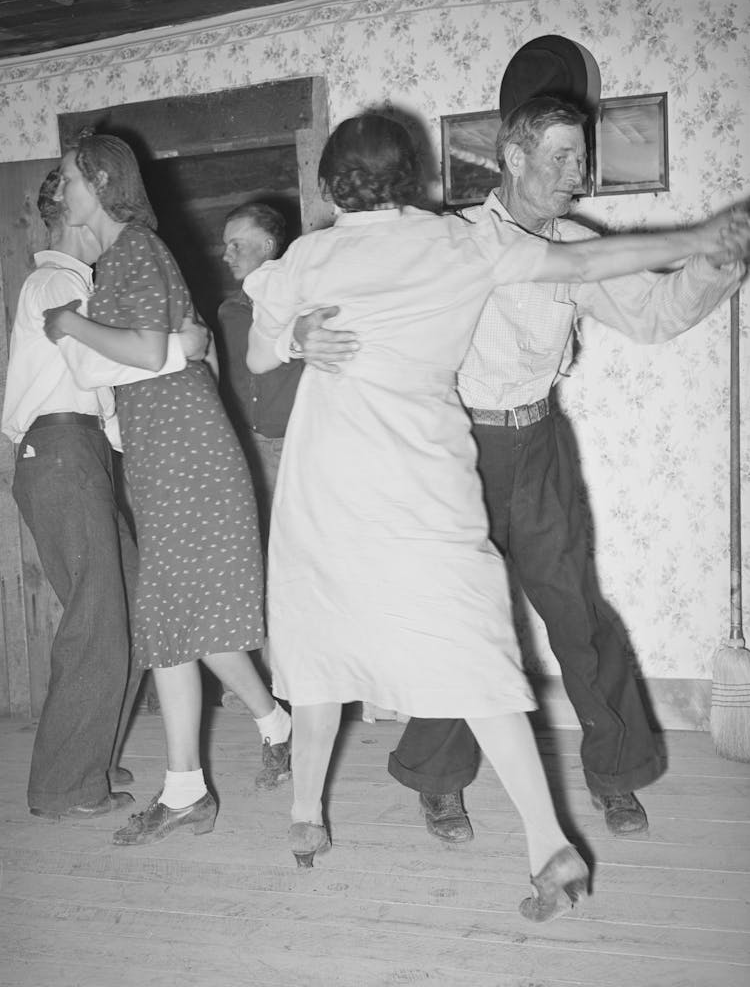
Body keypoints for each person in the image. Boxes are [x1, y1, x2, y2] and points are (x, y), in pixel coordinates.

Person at [242, 112, 746, 920]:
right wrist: (695, 231)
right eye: (561, 157)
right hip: (446, 452)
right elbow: (585, 259)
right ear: (502, 160)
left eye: (582, 159)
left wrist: (715, 256)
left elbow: (649, 311)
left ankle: (606, 780)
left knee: (548, 616)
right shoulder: (461, 241)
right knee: (463, 634)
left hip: (446, 454)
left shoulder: (337, 253)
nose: (574, 173)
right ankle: (492, 812)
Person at [42, 133, 291, 847]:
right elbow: (163, 353)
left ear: (97, 181)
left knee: (170, 623)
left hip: (185, 459)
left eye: (66, 179)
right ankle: (254, 742)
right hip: (166, 458)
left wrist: (69, 323)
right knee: (176, 624)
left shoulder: (134, 251)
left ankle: (193, 786)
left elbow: (151, 350)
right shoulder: (119, 262)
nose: (59, 193)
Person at [1, 168, 191, 821]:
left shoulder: (76, 285)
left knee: (130, 606)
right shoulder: (58, 284)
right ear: (75, 215)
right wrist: (176, 354)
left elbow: (102, 402)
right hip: (58, 451)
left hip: (73, 450)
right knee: (96, 619)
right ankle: (63, 786)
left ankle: (90, 758)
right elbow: (92, 364)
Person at [215, 201, 303, 538]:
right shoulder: (230, 311)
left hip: (295, 443)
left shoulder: (302, 305)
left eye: (236, 244)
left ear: (268, 245)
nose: (227, 255)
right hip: (250, 445)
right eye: (225, 246)